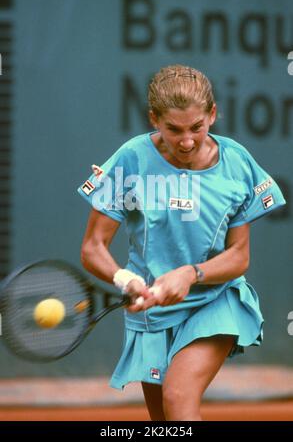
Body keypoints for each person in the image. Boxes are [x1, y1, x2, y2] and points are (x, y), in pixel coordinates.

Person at [77, 64, 286, 421]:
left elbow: (238, 257)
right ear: (154, 118)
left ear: (213, 114)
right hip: (153, 312)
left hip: (215, 300)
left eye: (197, 128)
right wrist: (125, 279)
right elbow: (93, 247)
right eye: (174, 129)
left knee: (178, 399)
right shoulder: (131, 159)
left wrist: (190, 274)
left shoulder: (236, 164)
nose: (187, 141)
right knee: (164, 422)